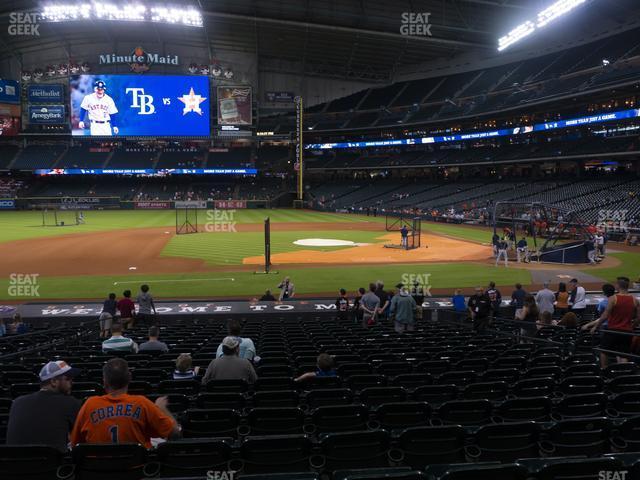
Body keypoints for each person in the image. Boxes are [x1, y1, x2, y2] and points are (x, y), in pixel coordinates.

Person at [70, 358, 179, 447]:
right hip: (136, 470)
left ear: (104, 381)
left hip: (97, 470)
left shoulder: (89, 404)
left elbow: (75, 443)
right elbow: (174, 432)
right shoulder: (142, 403)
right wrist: (161, 408)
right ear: (129, 379)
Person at [6, 360, 81, 452]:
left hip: (13, 464)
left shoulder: (17, 402)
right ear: (53, 381)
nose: (71, 382)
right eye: (67, 379)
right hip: (53, 464)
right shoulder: (70, 402)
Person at [582, 277, 640, 367]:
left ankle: (605, 370)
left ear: (618, 286)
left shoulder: (613, 298)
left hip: (613, 330)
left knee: (604, 351)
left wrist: (596, 326)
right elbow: (638, 317)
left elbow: (605, 315)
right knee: (623, 354)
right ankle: (623, 373)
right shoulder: (634, 300)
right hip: (627, 331)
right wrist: (632, 326)